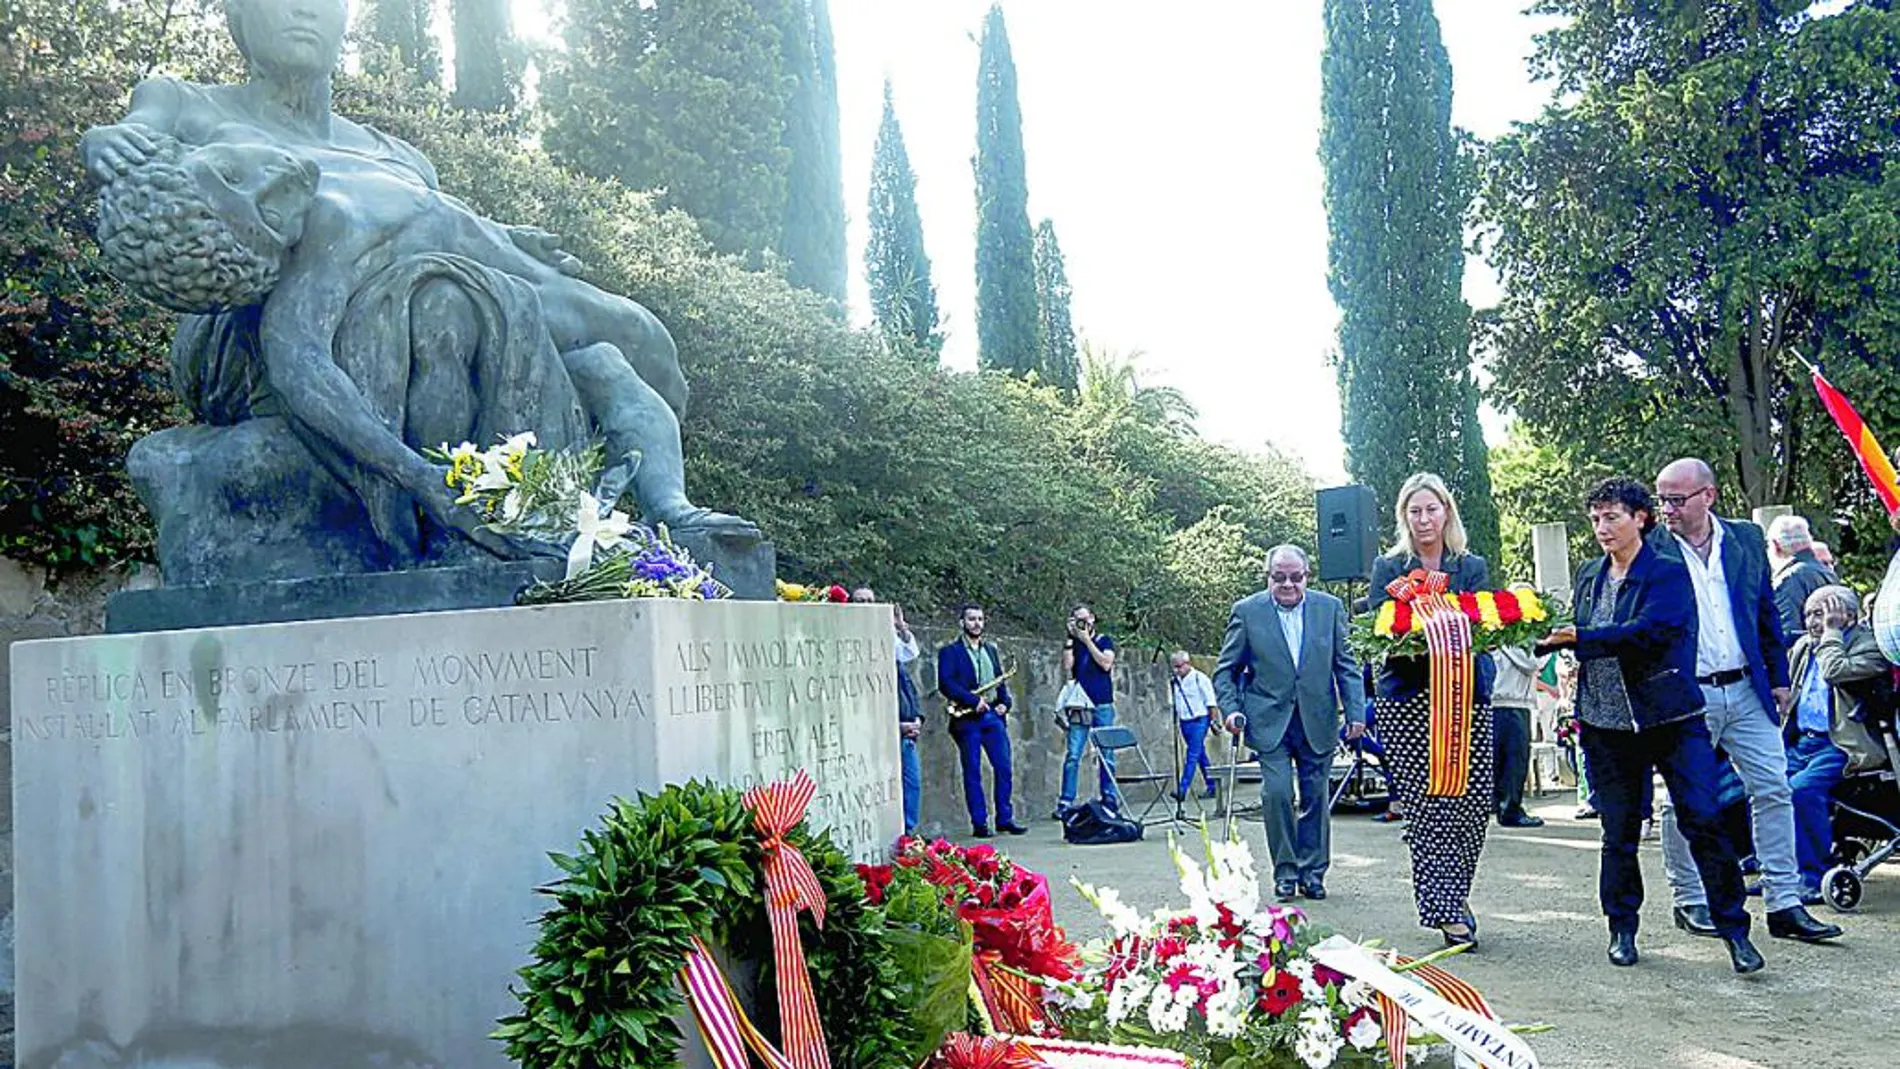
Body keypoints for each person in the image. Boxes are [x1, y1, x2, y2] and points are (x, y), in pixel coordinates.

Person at [79, 0, 750, 564]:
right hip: (299, 312)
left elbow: (433, 220)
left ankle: (668, 509)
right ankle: (453, 520)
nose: (302, 8)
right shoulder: (188, 106)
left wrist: (509, 236)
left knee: (622, 341)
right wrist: (102, 142)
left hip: (451, 268)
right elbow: (139, 152)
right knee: (446, 307)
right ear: (237, 18)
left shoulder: (395, 152)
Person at [1539, 477, 1765, 973]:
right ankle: (1622, 928)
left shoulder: (1666, 572)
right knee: (1618, 831)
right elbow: (1575, 637)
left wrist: (1578, 638)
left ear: (1640, 517)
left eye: (1612, 516)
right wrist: (1540, 636)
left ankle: (1734, 930)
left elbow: (1648, 633)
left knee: (1703, 819)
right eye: (1596, 518)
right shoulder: (1588, 575)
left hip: (1670, 717)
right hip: (1605, 722)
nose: (1602, 527)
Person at [1649, 458, 1842, 943]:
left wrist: (1779, 679)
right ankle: (1689, 899)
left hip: (1746, 689)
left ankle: (1784, 903)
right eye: (1662, 499)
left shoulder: (1744, 539)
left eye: (1677, 499)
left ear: (1708, 496)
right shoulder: (1651, 548)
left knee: (1775, 788)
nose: (1666, 509)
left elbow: (1763, 612)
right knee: (1682, 799)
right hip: (1688, 693)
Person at [1365, 473, 1494, 946]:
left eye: (1431, 509)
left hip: (1465, 699)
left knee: (1473, 803)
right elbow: (1381, 626)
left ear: (1446, 513)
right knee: (1427, 807)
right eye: (1414, 511)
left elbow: (1485, 622)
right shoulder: (1388, 568)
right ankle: (1445, 910)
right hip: (1408, 700)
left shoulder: (1470, 567)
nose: (1423, 519)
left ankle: (1455, 893)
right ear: (1404, 517)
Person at [1214, 545, 1365, 902]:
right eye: (1278, 577)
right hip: (1268, 720)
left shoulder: (1330, 609)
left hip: (1318, 718)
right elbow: (1226, 671)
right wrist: (1231, 709)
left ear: (1306, 576)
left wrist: (1356, 712)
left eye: (1295, 577)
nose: (1287, 584)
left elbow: (1346, 665)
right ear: (1268, 576)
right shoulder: (1247, 612)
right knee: (1278, 793)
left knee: (1316, 797)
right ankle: (1285, 872)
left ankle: (1313, 873)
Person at [1786, 584, 1892, 900]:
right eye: (1808, 614)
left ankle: (1813, 876)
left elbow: (1836, 671)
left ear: (1848, 615)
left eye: (1821, 613)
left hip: (1843, 745)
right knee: (1764, 787)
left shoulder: (1870, 646)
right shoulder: (1805, 647)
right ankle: (1779, 873)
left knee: (1801, 789)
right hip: (1802, 741)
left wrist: (1831, 633)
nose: (1812, 622)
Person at [936, 604, 1025, 838]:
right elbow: (946, 683)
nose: (977, 623)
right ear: (962, 622)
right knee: (973, 771)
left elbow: (999, 681)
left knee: (1004, 767)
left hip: (992, 717)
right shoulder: (950, 652)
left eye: (980, 619)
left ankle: (1005, 818)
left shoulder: (991, 650)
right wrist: (972, 700)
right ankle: (980, 823)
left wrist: (1005, 702)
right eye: (972, 619)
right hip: (967, 718)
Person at [852, 587, 923, 837]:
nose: (866, 605)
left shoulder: (887, 635)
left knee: (912, 784)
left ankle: (909, 833)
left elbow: (909, 662)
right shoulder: (852, 639)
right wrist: (895, 725)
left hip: (906, 730)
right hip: (883, 732)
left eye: (871, 600)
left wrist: (917, 717)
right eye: (860, 601)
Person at [1056, 605, 1119, 816]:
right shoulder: (1073, 643)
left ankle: (1109, 797)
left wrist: (1087, 640)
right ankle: (1065, 800)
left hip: (1102, 703)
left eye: (1086, 619)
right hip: (1080, 705)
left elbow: (1105, 664)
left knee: (1106, 754)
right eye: (1078, 620)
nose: (1084, 623)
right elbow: (1067, 668)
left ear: (1093, 619)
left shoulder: (1104, 640)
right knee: (1073, 754)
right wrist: (1070, 638)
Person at [1491, 639, 1546, 828]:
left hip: (1506, 701)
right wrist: (1547, 645)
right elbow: (1532, 664)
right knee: (1514, 760)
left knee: (1503, 759)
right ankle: (1509, 809)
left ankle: (1500, 806)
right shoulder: (1510, 638)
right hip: (1510, 701)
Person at [1768, 515, 1840, 648]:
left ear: (1776, 545)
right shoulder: (1828, 573)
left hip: (1807, 661)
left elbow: (1787, 636)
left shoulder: (1789, 579)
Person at [1168, 651, 1222, 802]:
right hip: (1185, 721)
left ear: (1187, 664)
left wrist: (1213, 722)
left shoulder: (1200, 678)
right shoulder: (1175, 682)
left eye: (1179, 666)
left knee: (1191, 755)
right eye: (1175, 667)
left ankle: (1182, 789)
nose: (1177, 670)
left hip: (1200, 719)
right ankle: (1212, 785)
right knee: (1199, 754)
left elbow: (1211, 703)